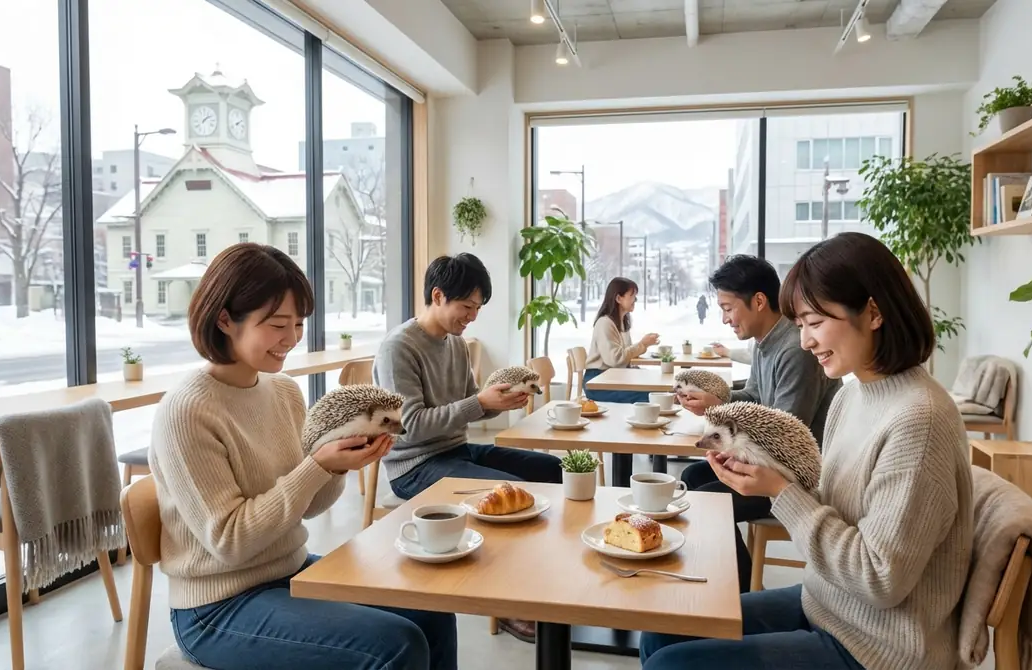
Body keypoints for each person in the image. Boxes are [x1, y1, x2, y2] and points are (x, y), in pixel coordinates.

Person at [641, 232, 974, 670]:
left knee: (672, 665)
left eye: (815, 323)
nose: (805, 342)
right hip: (828, 605)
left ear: (873, 312)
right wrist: (767, 479)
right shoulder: (853, 397)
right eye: (800, 326)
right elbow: (828, 499)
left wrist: (780, 491)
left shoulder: (919, 420)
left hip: (877, 647)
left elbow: (880, 580)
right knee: (659, 631)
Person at [149, 243, 456, 670]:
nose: (292, 339)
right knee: (396, 644)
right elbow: (230, 542)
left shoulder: (284, 392)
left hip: (288, 571)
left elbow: (308, 508)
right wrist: (317, 466)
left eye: (298, 323)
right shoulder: (187, 411)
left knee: (432, 613)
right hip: (216, 607)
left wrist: (335, 466)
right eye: (277, 324)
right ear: (224, 320)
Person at [374, 252, 561, 643]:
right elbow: (409, 427)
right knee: (510, 494)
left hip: (456, 452)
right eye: (467, 306)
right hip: (414, 466)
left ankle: (539, 579)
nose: (472, 316)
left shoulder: (456, 344)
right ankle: (507, 604)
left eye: (477, 308)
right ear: (438, 295)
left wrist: (499, 402)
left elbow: (466, 410)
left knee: (551, 471)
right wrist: (482, 404)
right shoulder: (399, 347)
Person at [677, 255, 840, 592]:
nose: (724, 319)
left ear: (759, 301)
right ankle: (735, 582)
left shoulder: (794, 350)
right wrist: (717, 403)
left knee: (707, 504)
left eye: (727, 308)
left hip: (795, 476)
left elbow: (784, 432)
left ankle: (736, 595)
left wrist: (724, 422)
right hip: (768, 459)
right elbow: (754, 396)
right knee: (693, 477)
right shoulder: (766, 342)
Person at [582, 276, 660, 404]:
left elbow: (624, 355)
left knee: (656, 390)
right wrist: (642, 344)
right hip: (598, 381)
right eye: (632, 295)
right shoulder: (605, 323)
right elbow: (615, 360)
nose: (635, 299)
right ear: (618, 298)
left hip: (613, 377)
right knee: (653, 396)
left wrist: (642, 347)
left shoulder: (621, 322)